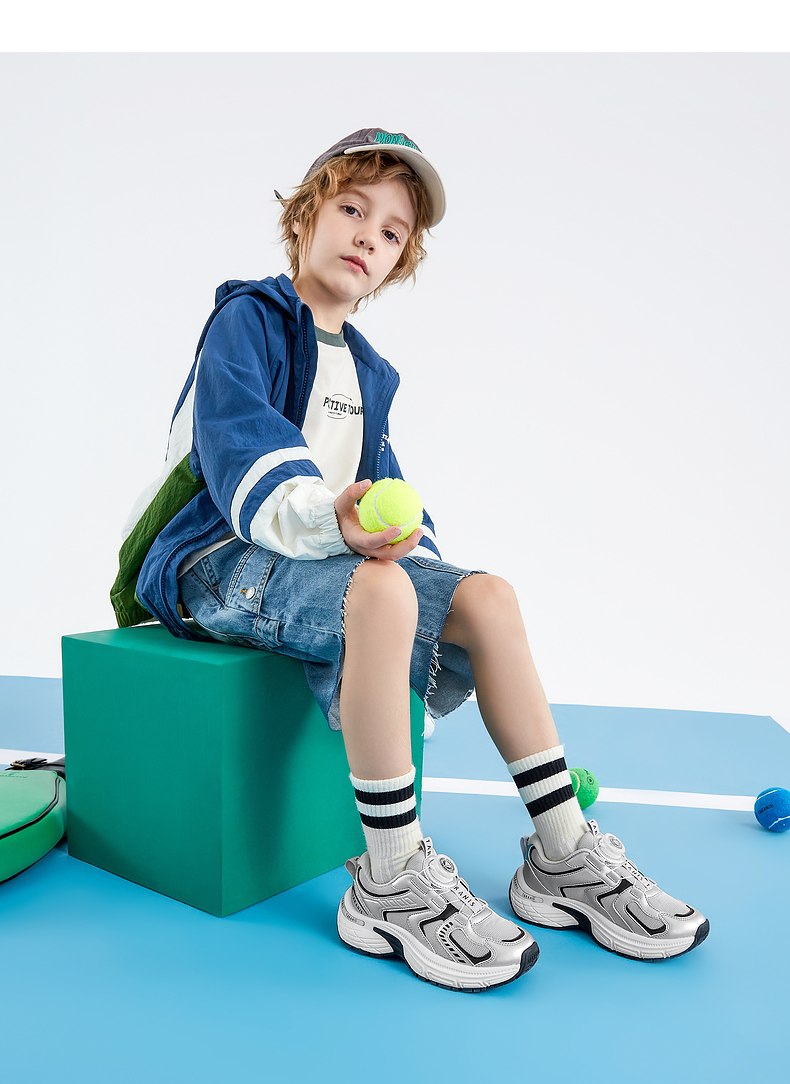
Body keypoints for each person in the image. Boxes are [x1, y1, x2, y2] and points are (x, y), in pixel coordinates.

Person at [112, 128, 709, 992]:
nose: (368, 237)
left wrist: (402, 548)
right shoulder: (248, 318)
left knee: (489, 597)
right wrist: (338, 525)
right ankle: (389, 879)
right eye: (352, 210)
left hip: (313, 557)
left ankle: (563, 854)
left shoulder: (370, 372)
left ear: (400, 262)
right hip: (212, 555)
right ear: (306, 215)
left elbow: (384, 489)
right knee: (382, 596)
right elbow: (242, 455)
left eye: (391, 232)